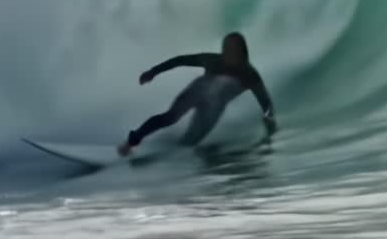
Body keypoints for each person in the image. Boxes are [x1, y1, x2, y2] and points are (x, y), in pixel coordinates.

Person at [117, 32, 277, 156]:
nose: (228, 53)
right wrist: (153, 72)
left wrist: (268, 119)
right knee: (170, 117)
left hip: (214, 107)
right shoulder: (213, 60)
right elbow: (181, 60)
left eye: (232, 50)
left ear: (242, 53)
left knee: (190, 141)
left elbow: (266, 102)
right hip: (197, 90)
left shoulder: (249, 74)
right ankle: (130, 143)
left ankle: (170, 156)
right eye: (226, 49)